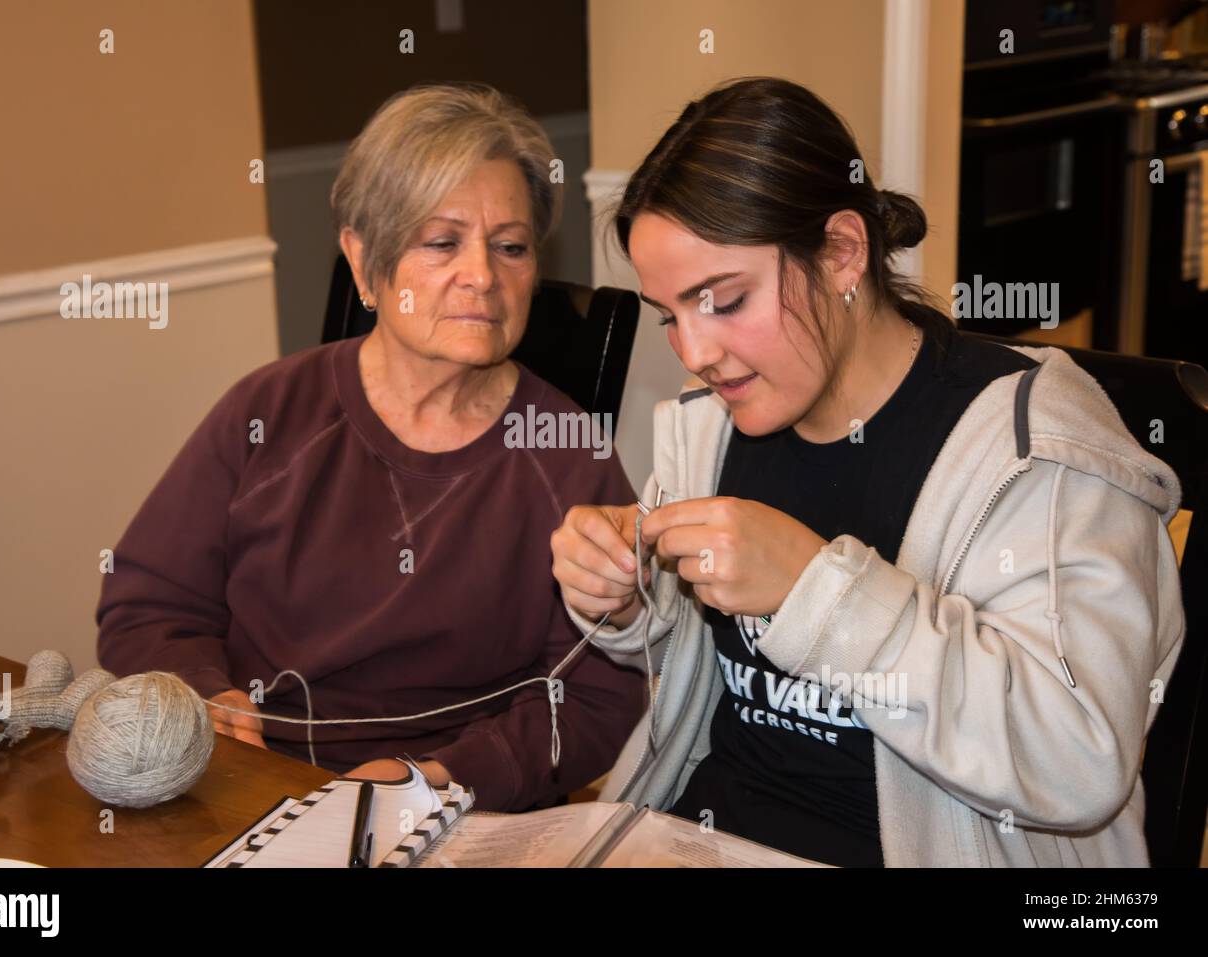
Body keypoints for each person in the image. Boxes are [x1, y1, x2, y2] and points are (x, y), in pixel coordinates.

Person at [550, 76, 1185, 865]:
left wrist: (815, 587)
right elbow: (690, 657)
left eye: (724, 299)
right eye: (671, 315)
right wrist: (625, 597)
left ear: (844, 252)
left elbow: (1078, 759)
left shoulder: (1036, 449)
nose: (696, 352)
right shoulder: (708, 429)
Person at [98, 83, 642, 812]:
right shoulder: (269, 410)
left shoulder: (570, 453)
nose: (482, 275)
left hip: (450, 810)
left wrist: (437, 777)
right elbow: (147, 602)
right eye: (442, 242)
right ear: (363, 261)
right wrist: (209, 695)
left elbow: (595, 701)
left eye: (511, 246)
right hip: (248, 781)